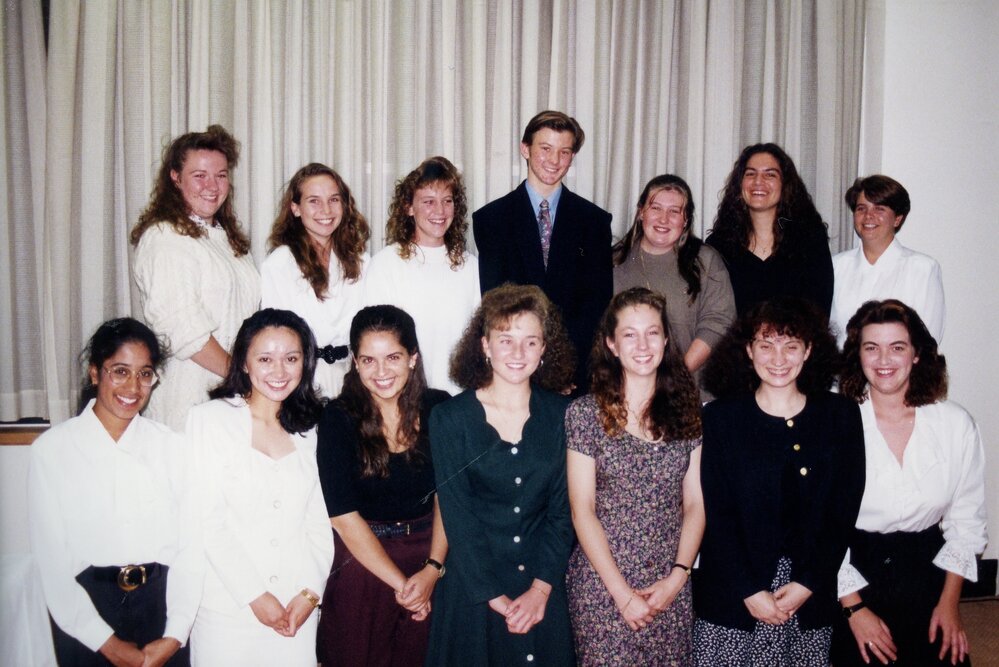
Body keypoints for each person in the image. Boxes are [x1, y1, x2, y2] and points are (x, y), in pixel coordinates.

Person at [695, 297, 866, 666]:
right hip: (733, 595)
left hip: (807, 595)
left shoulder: (841, 416)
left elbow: (843, 511)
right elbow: (716, 514)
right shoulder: (720, 419)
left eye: (791, 346)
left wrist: (808, 583)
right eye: (766, 345)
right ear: (748, 350)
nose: (778, 358)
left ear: (808, 351)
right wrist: (749, 590)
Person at [29, 318, 200, 666]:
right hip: (86, 617)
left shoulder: (173, 448)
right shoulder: (52, 451)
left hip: (161, 609)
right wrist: (105, 642)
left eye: (145, 374)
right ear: (95, 373)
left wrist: (175, 634)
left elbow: (191, 549)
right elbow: (52, 564)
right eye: (120, 371)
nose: (133, 387)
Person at [425, 284, 577, 665]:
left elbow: (565, 511)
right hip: (473, 593)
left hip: (543, 584)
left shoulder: (565, 414)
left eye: (530, 342)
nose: (517, 353)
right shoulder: (449, 418)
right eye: (505, 340)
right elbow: (457, 515)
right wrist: (493, 595)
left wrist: (541, 590)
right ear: (484, 345)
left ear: (544, 349)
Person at [831, 300, 987, 667]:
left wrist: (950, 605)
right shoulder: (835, 424)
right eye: (872, 348)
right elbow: (820, 528)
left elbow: (966, 523)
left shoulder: (955, 424)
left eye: (897, 347)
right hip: (854, 574)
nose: (884, 359)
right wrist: (855, 611)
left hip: (927, 572)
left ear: (917, 355)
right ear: (858, 356)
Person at [566, 287, 705, 665]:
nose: (642, 345)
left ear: (665, 339)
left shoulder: (687, 410)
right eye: (629, 334)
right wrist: (622, 594)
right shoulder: (584, 414)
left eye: (652, 332)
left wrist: (678, 578)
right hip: (604, 583)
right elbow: (583, 510)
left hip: (668, 585)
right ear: (611, 344)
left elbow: (694, 504)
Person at [186, 309, 332, 666]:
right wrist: (254, 595)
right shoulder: (210, 421)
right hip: (228, 608)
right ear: (244, 363)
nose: (279, 371)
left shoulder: (313, 429)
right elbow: (206, 521)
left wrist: (310, 593)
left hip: (295, 608)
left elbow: (320, 523)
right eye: (265, 359)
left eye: (291, 358)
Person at [315, 305, 450, 666]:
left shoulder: (440, 407)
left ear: (412, 358)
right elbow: (343, 516)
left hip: (429, 555)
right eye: (368, 360)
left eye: (392, 357)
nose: (381, 372)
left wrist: (431, 571)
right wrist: (404, 586)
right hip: (363, 560)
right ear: (355, 364)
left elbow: (448, 498)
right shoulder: (337, 418)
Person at [473, 110, 613, 393]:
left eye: (564, 152)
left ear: (572, 157)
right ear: (525, 149)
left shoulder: (594, 221)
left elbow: (596, 306)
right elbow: (497, 303)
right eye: (545, 149)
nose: (554, 161)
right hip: (514, 372)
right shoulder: (491, 219)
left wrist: (562, 370)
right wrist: (536, 371)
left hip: (575, 378)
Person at [132, 125, 260, 430]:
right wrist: (241, 378)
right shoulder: (165, 237)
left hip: (233, 396)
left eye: (221, 174)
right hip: (189, 400)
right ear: (175, 178)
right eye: (199, 175)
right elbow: (183, 328)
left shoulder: (226, 239)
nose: (212, 185)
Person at [364, 156, 480, 396]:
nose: (439, 211)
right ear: (409, 207)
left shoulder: (471, 267)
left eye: (447, 201)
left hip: (459, 399)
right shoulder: (386, 264)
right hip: (404, 397)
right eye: (429, 201)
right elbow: (376, 341)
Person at [613, 174, 736, 398]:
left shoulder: (706, 261)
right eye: (656, 208)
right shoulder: (613, 263)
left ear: (686, 219)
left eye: (674, 211)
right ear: (641, 212)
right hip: (626, 393)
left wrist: (675, 377)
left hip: (690, 392)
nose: (663, 219)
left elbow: (718, 323)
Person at [262, 162, 370, 398]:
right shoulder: (279, 265)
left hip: (354, 383)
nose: (326, 209)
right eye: (314, 201)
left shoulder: (362, 261)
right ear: (296, 208)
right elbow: (277, 335)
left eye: (334, 199)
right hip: (301, 384)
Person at [706, 143, 833, 316]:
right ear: (739, 184)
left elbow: (819, 309)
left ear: (785, 185)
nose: (758, 181)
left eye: (770, 174)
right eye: (751, 174)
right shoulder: (719, 245)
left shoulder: (809, 239)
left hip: (795, 341)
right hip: (736, 342)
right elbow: (715, 315)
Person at [830, 176, 945, 346]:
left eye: (879, 209)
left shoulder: (922, 269)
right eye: (861, 208)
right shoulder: (836, 266)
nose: (868, 216)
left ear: (897, 218)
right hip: (843, 371)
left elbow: (927, 339)